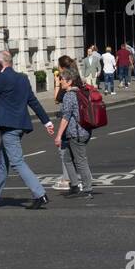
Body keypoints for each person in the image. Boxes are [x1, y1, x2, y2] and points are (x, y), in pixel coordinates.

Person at [0, 50, 53, 209]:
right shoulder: (22, 78)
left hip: (9, 127)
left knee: (17, 161)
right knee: (2, 161)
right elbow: (33, 101)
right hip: (20, 125)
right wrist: (46, 122)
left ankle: (40, 194)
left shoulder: (2, 78)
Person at [53, 65, 94, 199]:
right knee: (67, 159)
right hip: (82, 131)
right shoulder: (80, 92)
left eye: (62, 79)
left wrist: (58, 135)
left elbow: (66, 117)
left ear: (69, 81)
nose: (60, 82)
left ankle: (87, 190)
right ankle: (75, 186)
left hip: (77, 133)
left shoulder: (69, 95)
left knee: (81, 161)